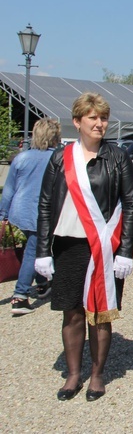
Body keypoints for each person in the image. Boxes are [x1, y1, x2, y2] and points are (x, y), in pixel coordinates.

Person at [36, 93, 133, 401]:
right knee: (72, 313)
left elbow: (132, 205)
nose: (99, 123)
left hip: (105, 249)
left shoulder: (117, 156)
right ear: (77, 122)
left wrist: (126, 251)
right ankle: (73, 374)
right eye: (92, 118)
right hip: (69, 246)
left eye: (103, 118)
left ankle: (96, 374)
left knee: (101, 313)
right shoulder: (60, 158)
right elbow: (44, 205)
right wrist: (42, 250)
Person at [1, 118, 60, 315]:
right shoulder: (58, 158)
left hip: (20, 209)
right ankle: (20, 295)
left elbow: (9, 189)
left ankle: (42, 282)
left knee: (33, 246)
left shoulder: (21, 158)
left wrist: (4, 213)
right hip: (41, 212)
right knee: (34, 250)